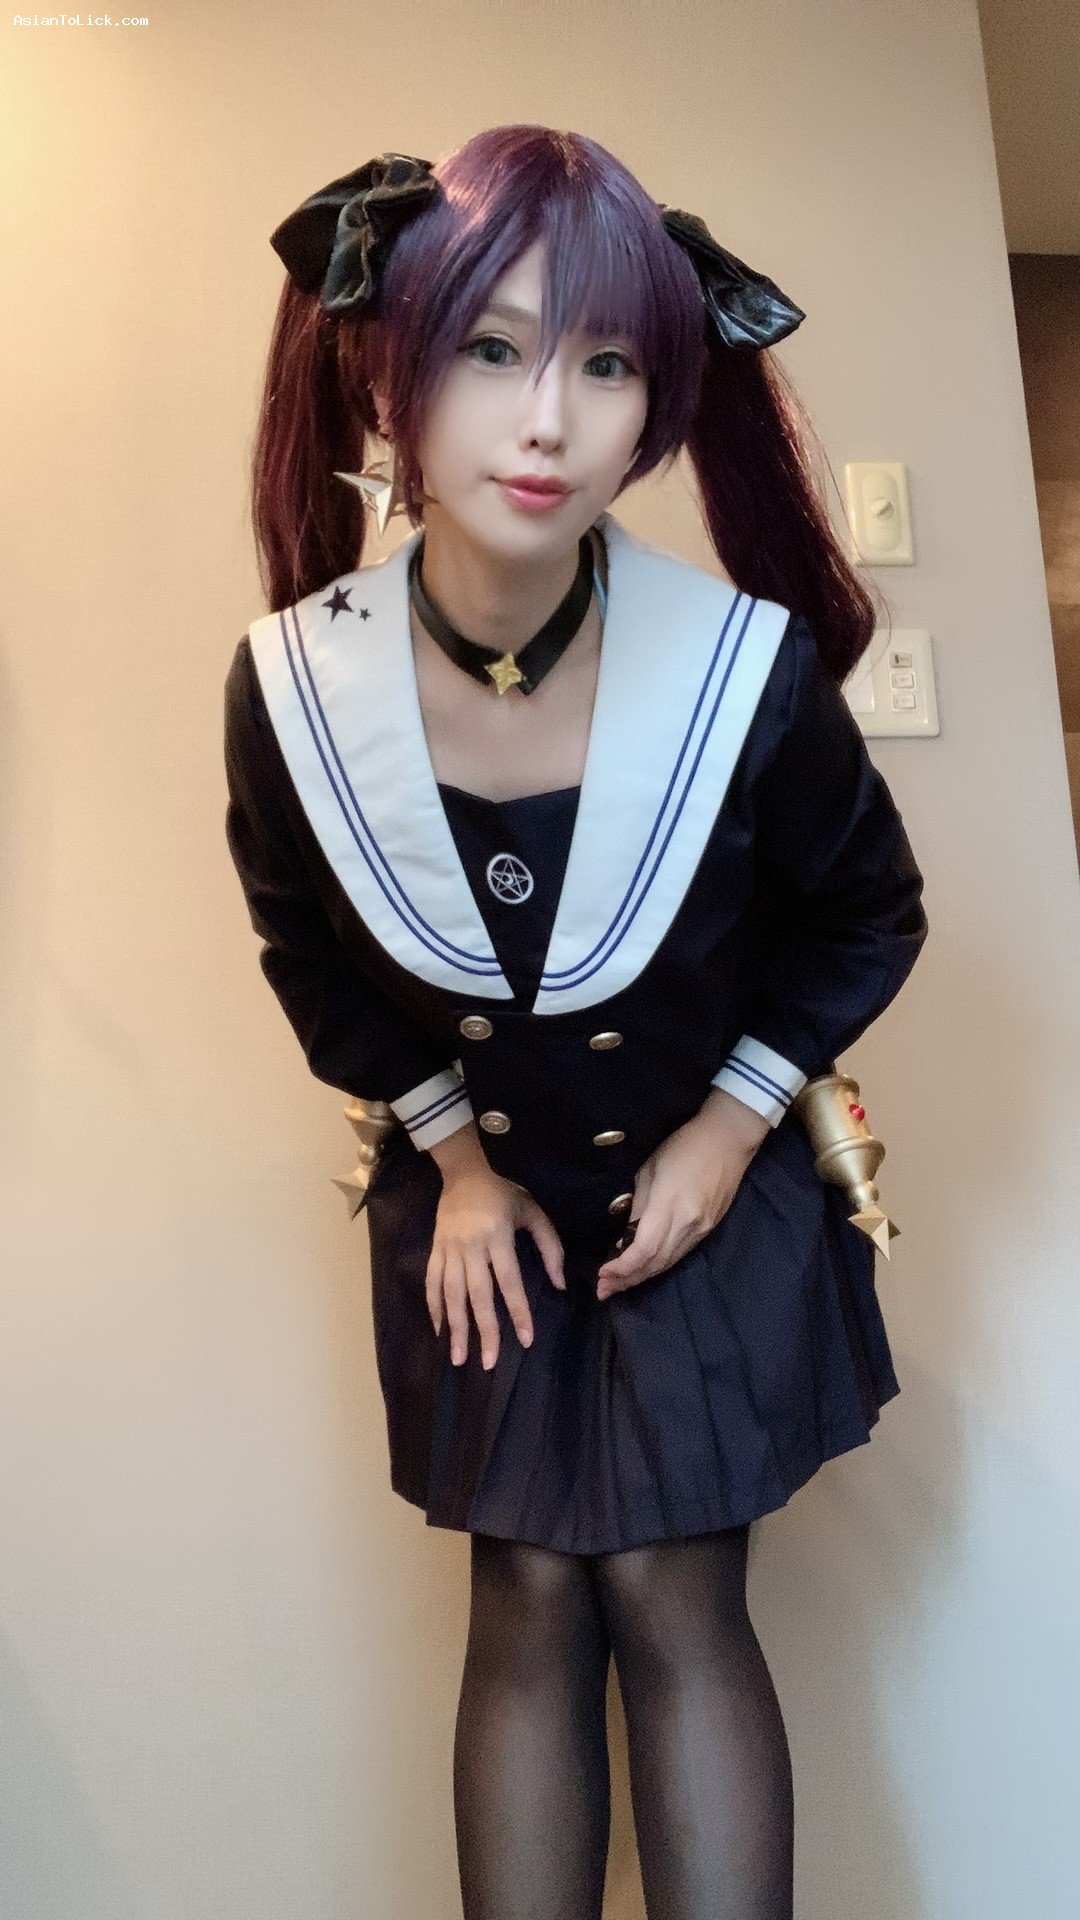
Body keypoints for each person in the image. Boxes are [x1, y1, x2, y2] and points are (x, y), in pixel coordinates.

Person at [223, 124, 929, 1920]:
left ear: (660, 406)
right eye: (491, 346)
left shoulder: (743, 666)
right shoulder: (294, 683)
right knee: (527, 1589)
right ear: (390, 370)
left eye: (607, 363)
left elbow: (869, 912)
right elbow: (308, 956)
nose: (548, 419)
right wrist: (455, 1165)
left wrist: (732, 1125)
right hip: (481, 1204)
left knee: (679, 1583)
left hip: (711, 1189)